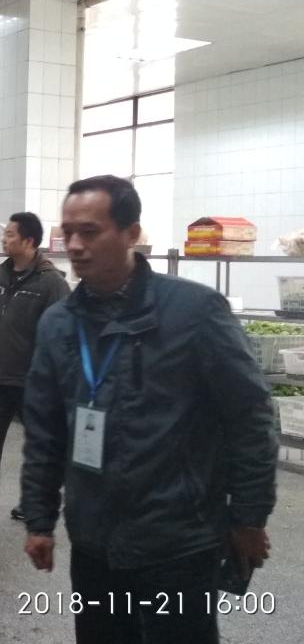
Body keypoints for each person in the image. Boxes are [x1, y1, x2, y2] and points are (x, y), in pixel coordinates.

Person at [21, 175, 277, 644]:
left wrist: (248, 516)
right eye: (68, 232)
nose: (74, 245)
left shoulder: (194, 311)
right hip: (93, 539)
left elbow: (251, 416)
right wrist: (40, 519)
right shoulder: (59, 323)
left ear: (131, 233)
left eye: (90, 232)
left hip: (178, 540)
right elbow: (45, 429)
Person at [0, 212, 69, 522]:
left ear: (29, 241)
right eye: (5, 233)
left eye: (10, 234)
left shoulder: (51, 283)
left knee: (40, 446)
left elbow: (62, 335)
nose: (4, 238)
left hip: (33, 380)